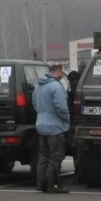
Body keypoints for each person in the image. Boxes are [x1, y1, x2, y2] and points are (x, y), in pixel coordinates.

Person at [32, 63, 71, 193]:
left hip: (41, 124)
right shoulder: (57, 87)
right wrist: (67, 119)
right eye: (63, 73)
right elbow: (61, 107)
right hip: (55, 126)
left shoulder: (38, 86)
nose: (62, 75)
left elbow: (35, 104)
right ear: (58, 72)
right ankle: (52, 184)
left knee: (44, 155)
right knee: (56, 156)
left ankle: (41, 184)